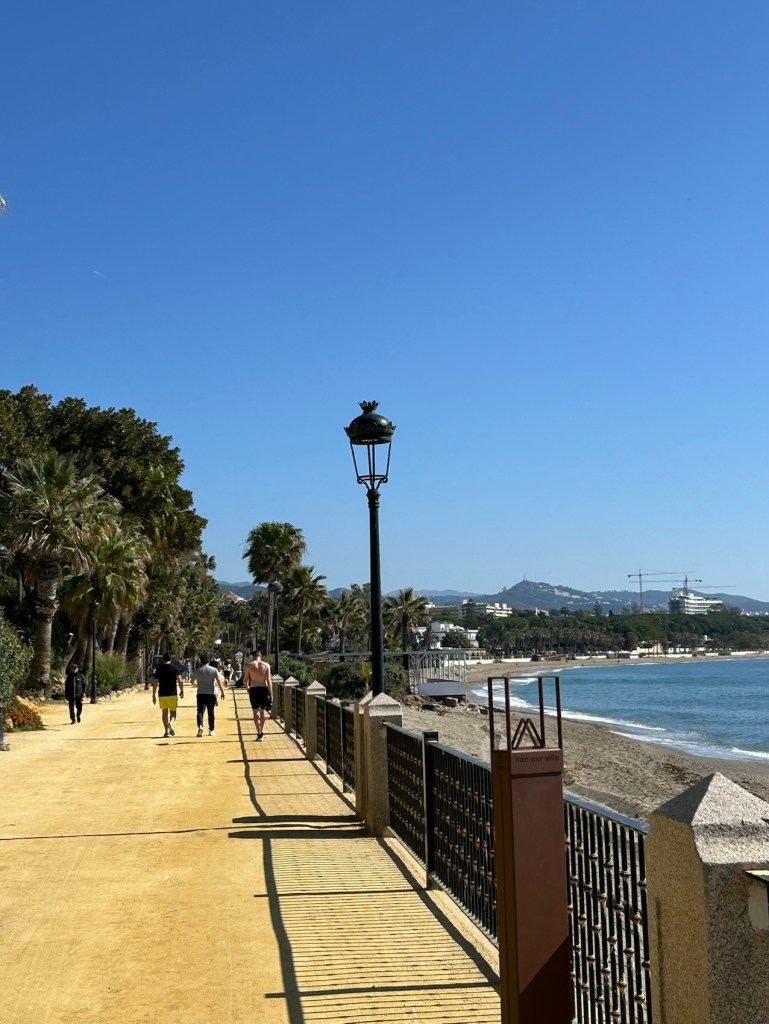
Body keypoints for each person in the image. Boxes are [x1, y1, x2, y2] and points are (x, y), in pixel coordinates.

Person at [152, 652, 184, 738]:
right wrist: (182, 690)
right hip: (172, 694)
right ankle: (171, 722)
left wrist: (153, 695)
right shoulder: (175, 668)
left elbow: (155, 682)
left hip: (162, 694)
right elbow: (180, 680)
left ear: (163, 659)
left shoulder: (159, 668)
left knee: (164, 713)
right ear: (171, 659)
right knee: (173, 712)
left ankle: (166, 731)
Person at [243, 650, 272, 741]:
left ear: (253, 656)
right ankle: (261, 730)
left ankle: (259, 732)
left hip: (254, 689)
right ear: (260, 656)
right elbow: (268, 680)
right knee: (262, 711)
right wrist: (270, 693)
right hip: (263, 689)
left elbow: (245, 680)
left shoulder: (249, 665)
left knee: (255, 711)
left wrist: (248, 688)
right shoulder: (266, 665)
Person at [194, 655, 226, 737]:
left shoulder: (198, 670)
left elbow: (192, 681)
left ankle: (200, 725)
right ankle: (211, 730)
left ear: (201, 661)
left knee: (200, 711)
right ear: (208, 661)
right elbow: (219, 681)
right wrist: (222, 692)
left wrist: (198, 684)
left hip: (200, 693)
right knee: (211, 712)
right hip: (211, 694)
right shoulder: (214, 670)